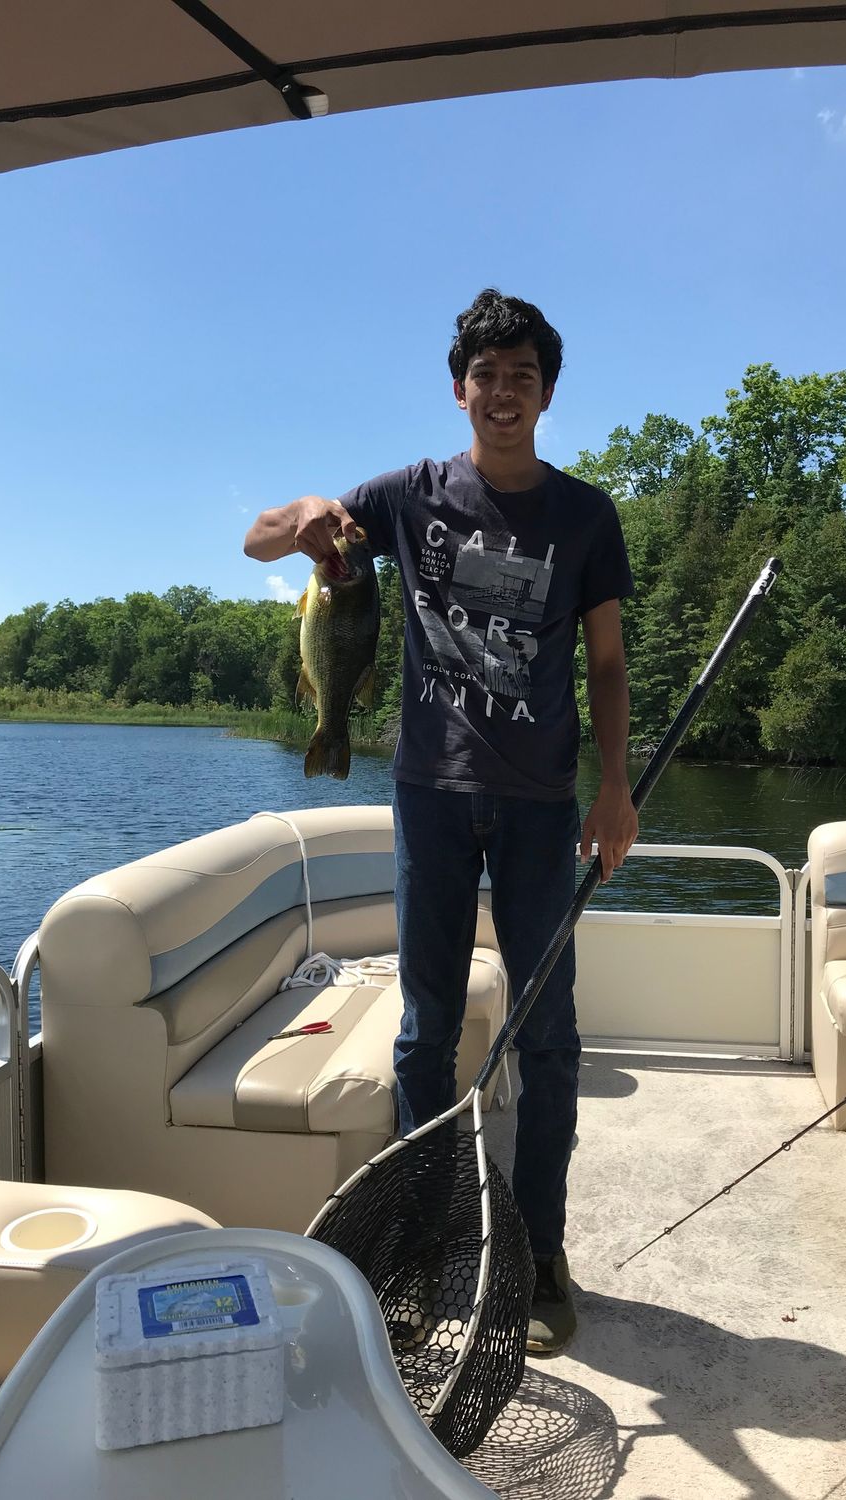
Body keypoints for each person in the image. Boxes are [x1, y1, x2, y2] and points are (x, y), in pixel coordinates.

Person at [244, 288, 637, 1353]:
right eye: (486, 376)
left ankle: (542, 1251)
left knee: (547, 1037)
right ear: (458, 388)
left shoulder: (585, 516)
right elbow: (256, 541)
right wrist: (314, 511)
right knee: (422, 1034)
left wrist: (616, 787)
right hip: (427, 795)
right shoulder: (407, 494)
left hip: (542, 804)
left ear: (546, 393)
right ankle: (425, 1243)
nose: (502, 394)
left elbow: (605, 662)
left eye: (522, 377)